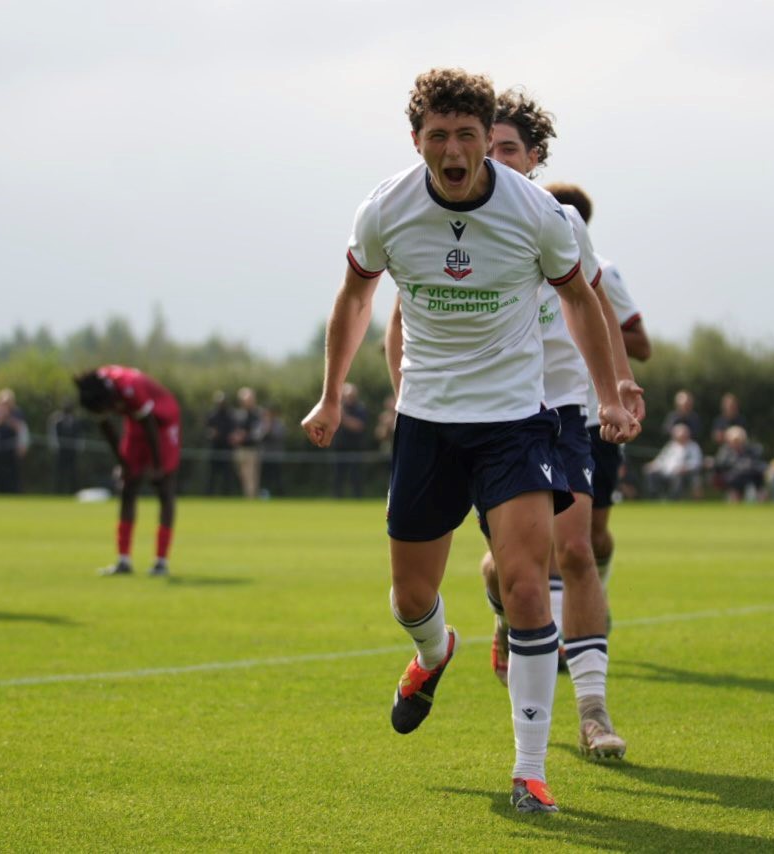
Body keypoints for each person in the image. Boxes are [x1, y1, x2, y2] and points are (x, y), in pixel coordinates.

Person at [303, 68, 638, 815]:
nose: (452, 150)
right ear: (416, 140)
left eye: (466, 135)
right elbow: (358, 297)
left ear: (489, 140)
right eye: (437, 136)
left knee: (527, 581)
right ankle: (433, 651)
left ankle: (529, 771)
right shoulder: (386, 209)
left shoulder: (536, 212)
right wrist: (331, 393)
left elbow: (579, 299)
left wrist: (611, 391)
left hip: (516, 420)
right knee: (411, 596)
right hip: (427, 420)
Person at [465, 91, 644, 765]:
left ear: (534, 159)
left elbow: (594, 299)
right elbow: (406, 316)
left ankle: (593, 711)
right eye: (491, 147)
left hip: (565, 408)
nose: (495, 158)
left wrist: (617, 389)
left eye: (509, 148)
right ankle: (505, 611)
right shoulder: (456, 223)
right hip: (495, 413)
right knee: (513, 567)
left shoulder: (560, 219)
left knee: (576, 550)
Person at [546, 182, 653, 596]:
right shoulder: (519, 257)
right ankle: (554, 634)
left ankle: (597, 594)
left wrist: (586, 329)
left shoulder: (602, 272)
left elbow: (641, 343)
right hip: (542, 409)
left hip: (594, 416)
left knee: (594, 532)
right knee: (552, 536)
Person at [75, 366, 181, 577]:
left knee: (163, 487)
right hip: (135, 426)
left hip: (162, 423)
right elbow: (107, 428)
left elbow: (150, 424)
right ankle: (123, 561)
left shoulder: (131, 386)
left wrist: (157, 465)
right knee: (127, 487)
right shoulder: (96, 392)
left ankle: (161, 562)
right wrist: (123, 463)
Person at [642, 424, 702, 499]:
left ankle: (673, 499)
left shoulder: (693, 446)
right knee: (651, 473)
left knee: (678, 477)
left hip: (682, 474)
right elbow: (661, 460)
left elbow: (696, 462)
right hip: (665, 472)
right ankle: (655, 497)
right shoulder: (670, 446)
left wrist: (685, 468)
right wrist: (653, 465)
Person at [0, 388, 28, 494]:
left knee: (13, 478)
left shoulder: (17, 412)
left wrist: (8, 419)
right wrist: (1, 418)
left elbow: (21, 428)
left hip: (12, 450)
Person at [330, 382, 368, 498]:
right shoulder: (337, 408)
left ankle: (358, 499)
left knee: (355, 476)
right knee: (338, 476)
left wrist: (342, 416)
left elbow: (358, 426)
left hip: (355, 448)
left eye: (351, 396)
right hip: (339, 448)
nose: (349, 398)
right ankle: (337, 499)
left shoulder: (360, 409)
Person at [713, 425, 767, 502]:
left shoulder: (751, 449)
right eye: (734, 440)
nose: (737, 443)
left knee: (759, 479)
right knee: (734, 480)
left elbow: (758, 463)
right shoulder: (725, 451)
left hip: (751, 475)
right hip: (734, 477)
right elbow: (720, 464)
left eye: (739, 440)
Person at [47, 400, 85, 494]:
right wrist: (55, 447)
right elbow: (54, 435)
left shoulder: (75, 421)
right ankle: (58, 491)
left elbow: (79, 436)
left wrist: (79, 447)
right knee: (60, 472)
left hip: (72, 451)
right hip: (61, 451)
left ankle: (73, 491)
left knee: (73, 472)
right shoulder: (58, 421)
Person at [233, 387, 264, 498]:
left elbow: (257, 433)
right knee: (242, 476)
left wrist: (245, 436)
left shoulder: (257, 414)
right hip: (240, 449)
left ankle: (251, 499)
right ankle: (248, 496)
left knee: (251, 476)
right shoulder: (239, 414)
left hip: (251, 450)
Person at [203, 391, 236, 495]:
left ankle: (227, 494)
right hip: (215, 448)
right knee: (212, 475)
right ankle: (209, 495)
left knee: (227, 475)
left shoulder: (230, 415)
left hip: (227, 449)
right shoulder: (212, 415)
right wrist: (211, 434)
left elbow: (233, 431)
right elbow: (207, 431)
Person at [260, 404, 286, 497]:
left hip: (276, 456)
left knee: (278, 478)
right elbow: (257, 437)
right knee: (266, 479)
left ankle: (280, 495)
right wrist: (266, 430)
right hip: (265, 456)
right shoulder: (262, 424)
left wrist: (269, 429)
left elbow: (279, 436)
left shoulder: (279, 424)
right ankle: (265, 495)